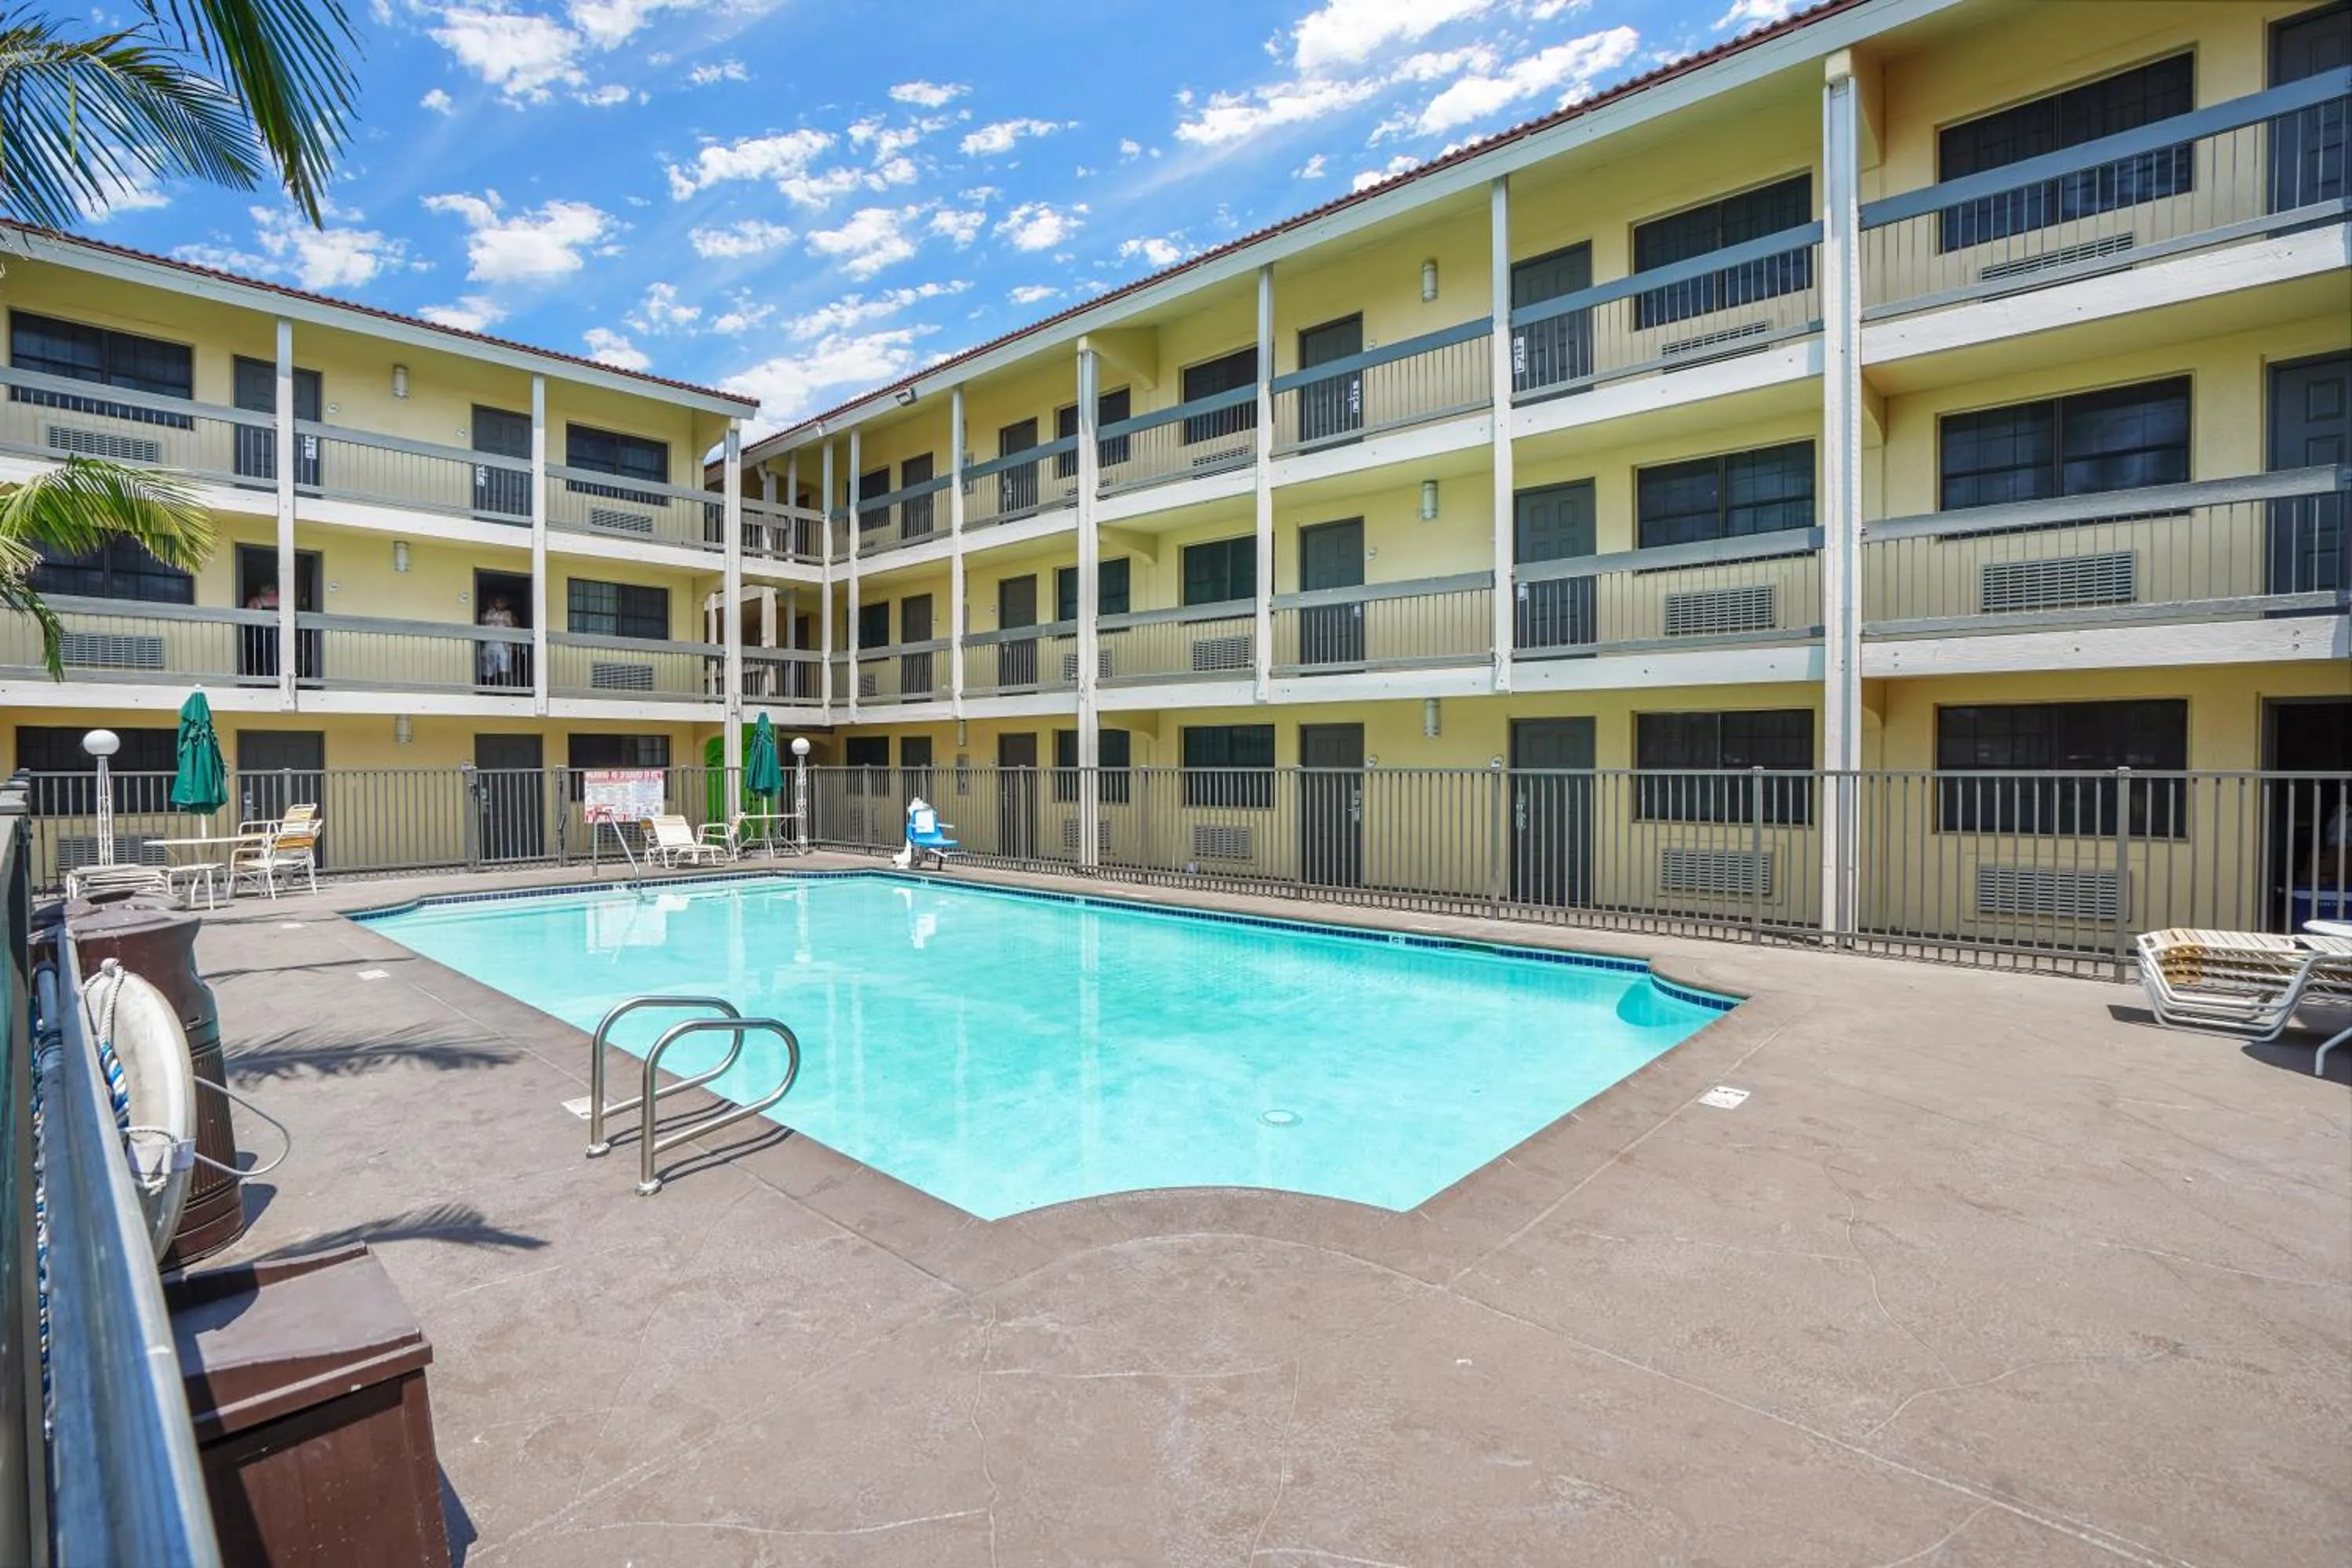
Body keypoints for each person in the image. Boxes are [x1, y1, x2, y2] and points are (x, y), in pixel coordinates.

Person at [478, 593, 517, 686]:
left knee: (504, 668)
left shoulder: (510, 614)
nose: (498, 604)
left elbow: (516, 629)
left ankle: (505, 689)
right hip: (489, 643)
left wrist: (513, 643)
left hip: (503, 645)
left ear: (506, 604)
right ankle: (489, 689)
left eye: (501, 602)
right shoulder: (487, 614)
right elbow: (481, 625)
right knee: (488, 669)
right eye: (497, 602)